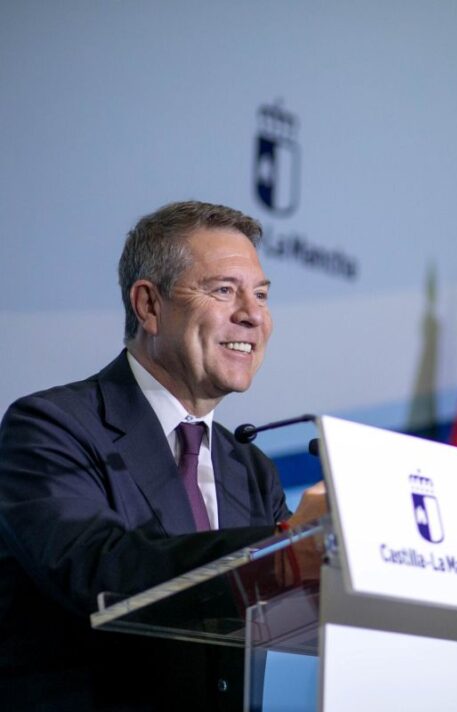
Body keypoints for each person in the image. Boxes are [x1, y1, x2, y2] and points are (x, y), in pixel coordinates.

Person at [0, 201, 327, 710]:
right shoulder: (49, 428)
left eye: (261, 295)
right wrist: (286, 555)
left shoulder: (250, 469)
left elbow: (288, 609)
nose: (253, 315)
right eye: (224, 290)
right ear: (149, 306)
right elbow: (99, 569)